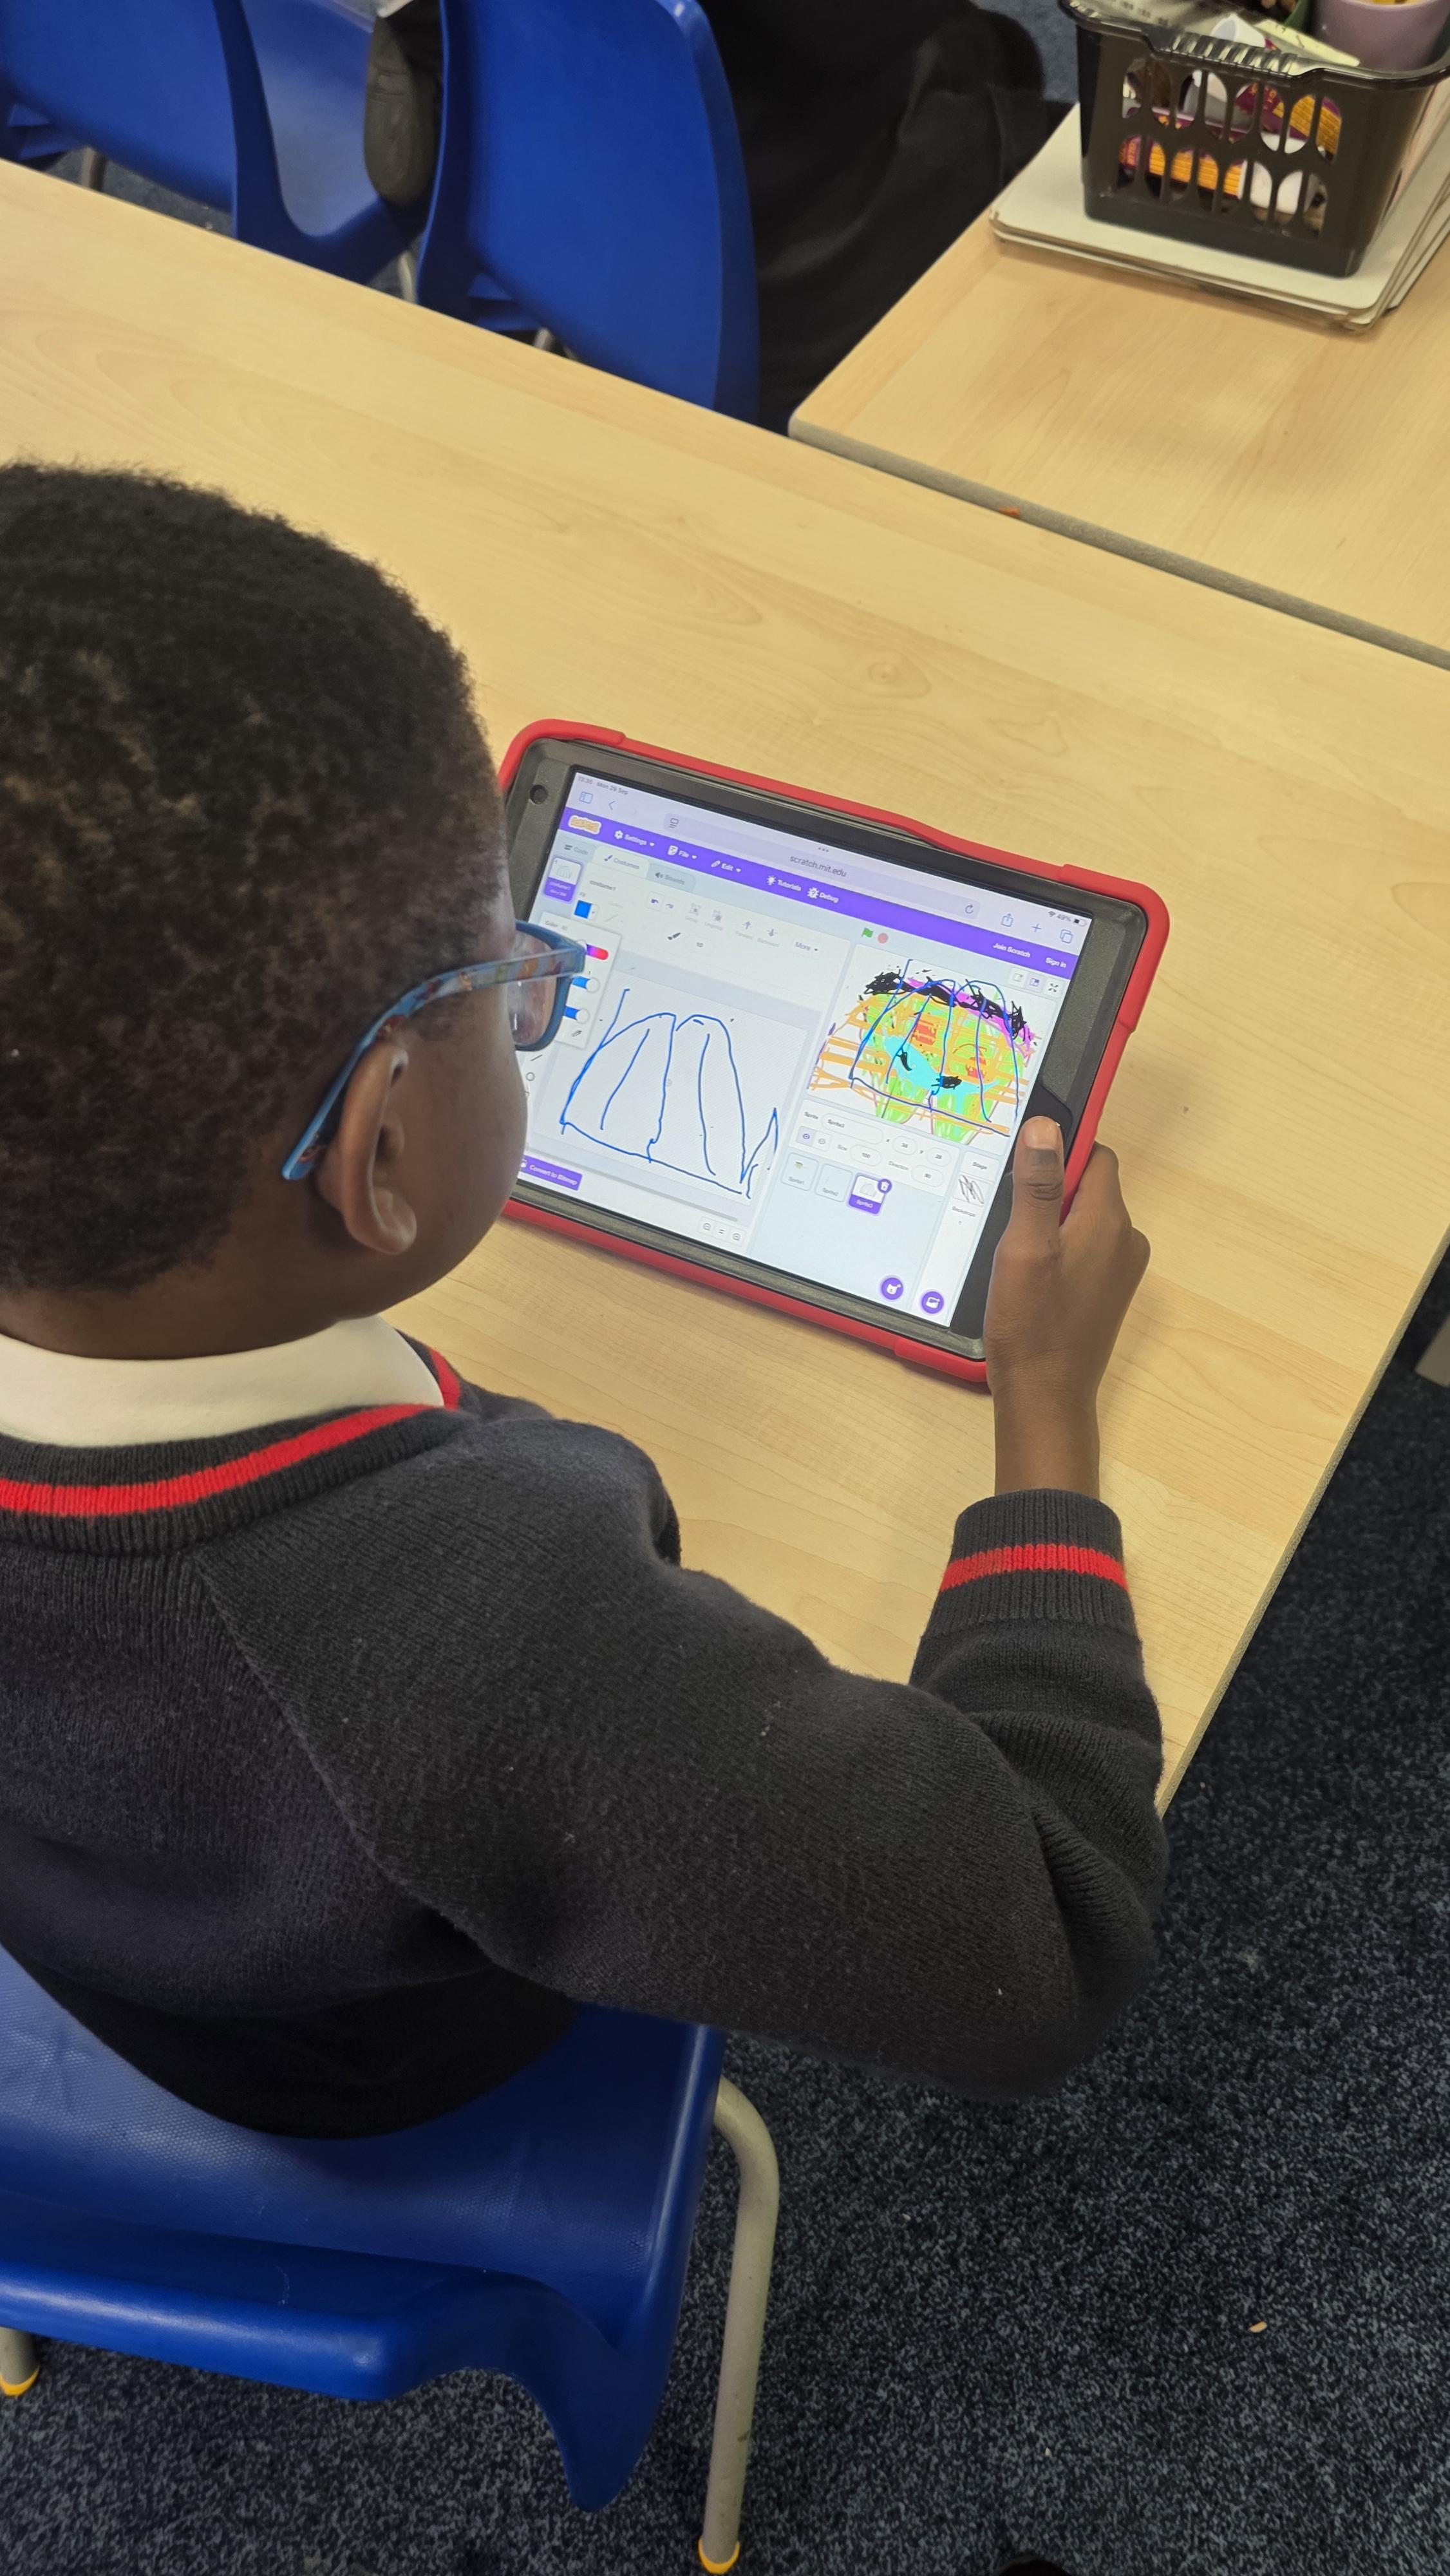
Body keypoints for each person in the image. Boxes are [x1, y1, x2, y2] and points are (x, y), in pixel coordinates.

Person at [0, 464, 1165, 2141]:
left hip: (115, 1945)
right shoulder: (490, 1633)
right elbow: (1046, 1943)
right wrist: (1043, 1404)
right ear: (381, 1150)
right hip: (367, 2058)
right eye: (519, 979)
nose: (533, 999)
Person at [364, 0, 1064, 426]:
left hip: (539, 187)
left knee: (979, 43)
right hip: (773, 258)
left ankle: (427, 44)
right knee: (1109, 176)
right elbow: (857, 33)